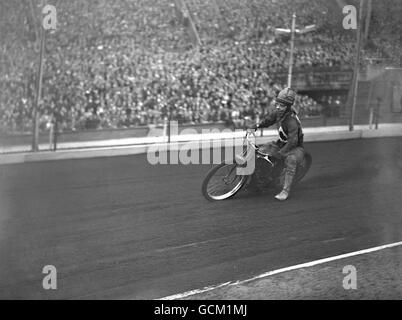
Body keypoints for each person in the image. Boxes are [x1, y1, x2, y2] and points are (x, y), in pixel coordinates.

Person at [251, 87, 305, 201]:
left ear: (288, 107)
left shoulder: (292, 121)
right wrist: (257, 126)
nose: (278, 107)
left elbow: (293, 142)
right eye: (277, 104)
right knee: (261, 152)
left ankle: (285, 191)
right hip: (281, 143)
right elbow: (268, 120)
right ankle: (262, 180)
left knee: (290, 161)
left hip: (295, 147)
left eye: (282, 105)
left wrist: (281, 153)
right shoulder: (278, 113)